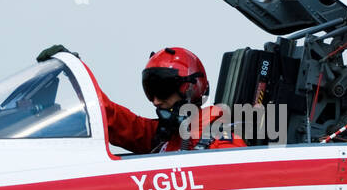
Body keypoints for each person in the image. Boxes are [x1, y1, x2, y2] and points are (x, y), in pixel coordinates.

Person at [39, 45, 245, 153]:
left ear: (190, 90)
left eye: (163, 91)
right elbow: (110, 118)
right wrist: (75, 73)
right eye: (150, 92)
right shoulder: (163, 138)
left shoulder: (222, 143)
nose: (155, 101)